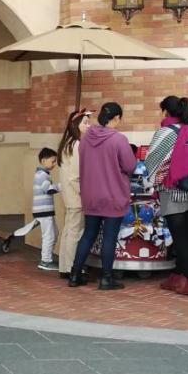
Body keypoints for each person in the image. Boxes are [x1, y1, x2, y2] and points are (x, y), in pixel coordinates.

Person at [68, 101, 137, 291]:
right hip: (113, 196)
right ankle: (106, 278)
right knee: (109, 237)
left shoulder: (85, 138)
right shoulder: (119, 140)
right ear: (116, 118)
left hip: (91, 195)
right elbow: (130, 166)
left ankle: (75, 274)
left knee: (88, 235)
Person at [143, 95, 188, 294]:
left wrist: (156, 181)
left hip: (173, 193)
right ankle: (177, 276)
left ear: (165, 111)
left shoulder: (166, 132)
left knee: (180, 239)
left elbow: (152, 162)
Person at [55, 109, 93, 278]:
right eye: (85, 122)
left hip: (69, 196)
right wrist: (84, 195)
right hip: (76, 197)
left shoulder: (67, 143)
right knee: (75, 233)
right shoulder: (77, 144)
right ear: (75, 125)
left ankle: (65, 267)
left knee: (68, 232)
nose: (88, 125)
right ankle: (72, 268)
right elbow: (75, 177)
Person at [12, 149, 60, 272]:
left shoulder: (44, 174)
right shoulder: (41, 175)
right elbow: (48, 189)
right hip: (43, 211)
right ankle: (46, 261)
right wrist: (63, 185)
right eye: (53, 161)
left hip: (46, 211)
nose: (55, 164)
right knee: (49, 236)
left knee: (54, 233)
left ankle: (47, 258)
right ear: (43, 161)